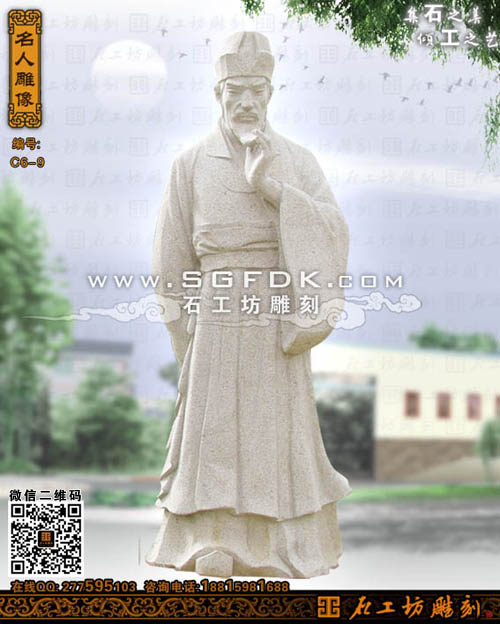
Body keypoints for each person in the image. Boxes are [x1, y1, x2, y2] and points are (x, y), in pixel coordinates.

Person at [146, 31, 352, 578]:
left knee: (275, 426)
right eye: (235, 90)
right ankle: (209, 539)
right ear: (219, 94)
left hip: (275, 311)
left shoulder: (298, 161)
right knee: (211, 428)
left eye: (256, 90)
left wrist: (277, 192)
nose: (245, 102)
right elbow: (171, 258)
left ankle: (280, 543)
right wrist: (183, 332)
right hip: (214, 313)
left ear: (270, 94)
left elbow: (332, 230)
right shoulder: (190, 164)